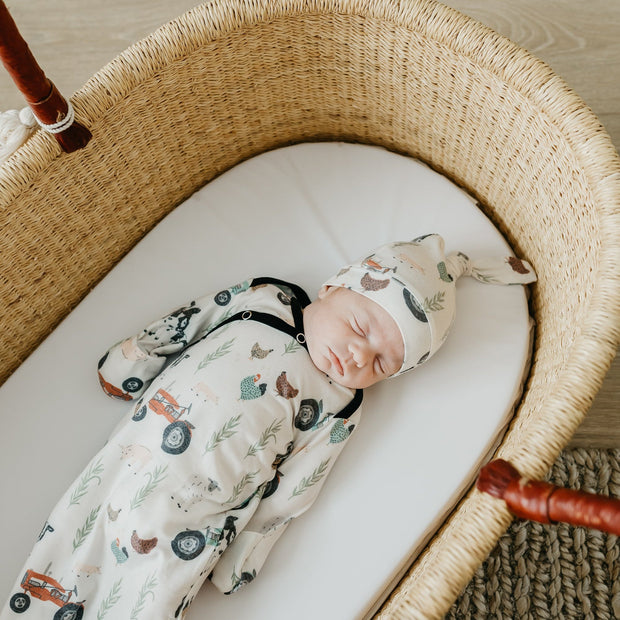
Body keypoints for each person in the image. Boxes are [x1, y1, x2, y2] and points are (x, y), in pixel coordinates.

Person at [1, 234, 535, 620]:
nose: (356, 358)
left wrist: (245, 553)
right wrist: (137, 355)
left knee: (149, 596)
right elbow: (198, 317)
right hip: (128, 461)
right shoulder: (267, 300)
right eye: (359, 328)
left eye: (380, 364)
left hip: (200, 517)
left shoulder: (339, 405)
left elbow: (294, 490)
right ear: (332, 288)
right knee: (66, 549)